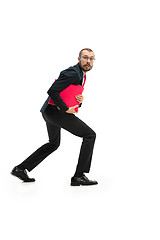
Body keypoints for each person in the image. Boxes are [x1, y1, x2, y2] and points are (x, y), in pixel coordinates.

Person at [11, 48, 98, 186]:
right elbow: (52, 91)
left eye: (91, 58)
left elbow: (65, 92)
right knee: (90, 135)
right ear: (79, 59)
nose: (88, 61)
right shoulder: (73, 72)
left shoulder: (80, 74)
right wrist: (65, 108)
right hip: (56, 112)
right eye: (85, 57)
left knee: (53, 144)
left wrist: (78, 102)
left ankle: (20, 169)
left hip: (49, 112)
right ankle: (79, 176)